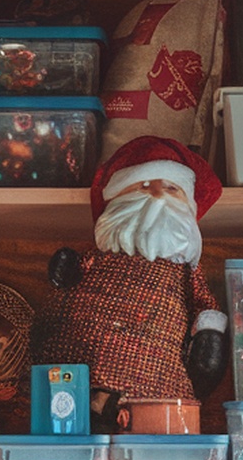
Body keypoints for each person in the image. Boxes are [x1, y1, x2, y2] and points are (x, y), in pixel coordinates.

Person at [29, 135, 228, 424]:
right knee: (68, 411)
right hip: (76, 377)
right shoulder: (98, 259)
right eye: (144, 185)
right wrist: (66, 270)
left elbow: (205, 310)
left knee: (149, 427)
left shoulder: (183, 273)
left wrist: (209, 345)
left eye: (171, 187)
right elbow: (68, 279)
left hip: (156, 387)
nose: (157, 195)